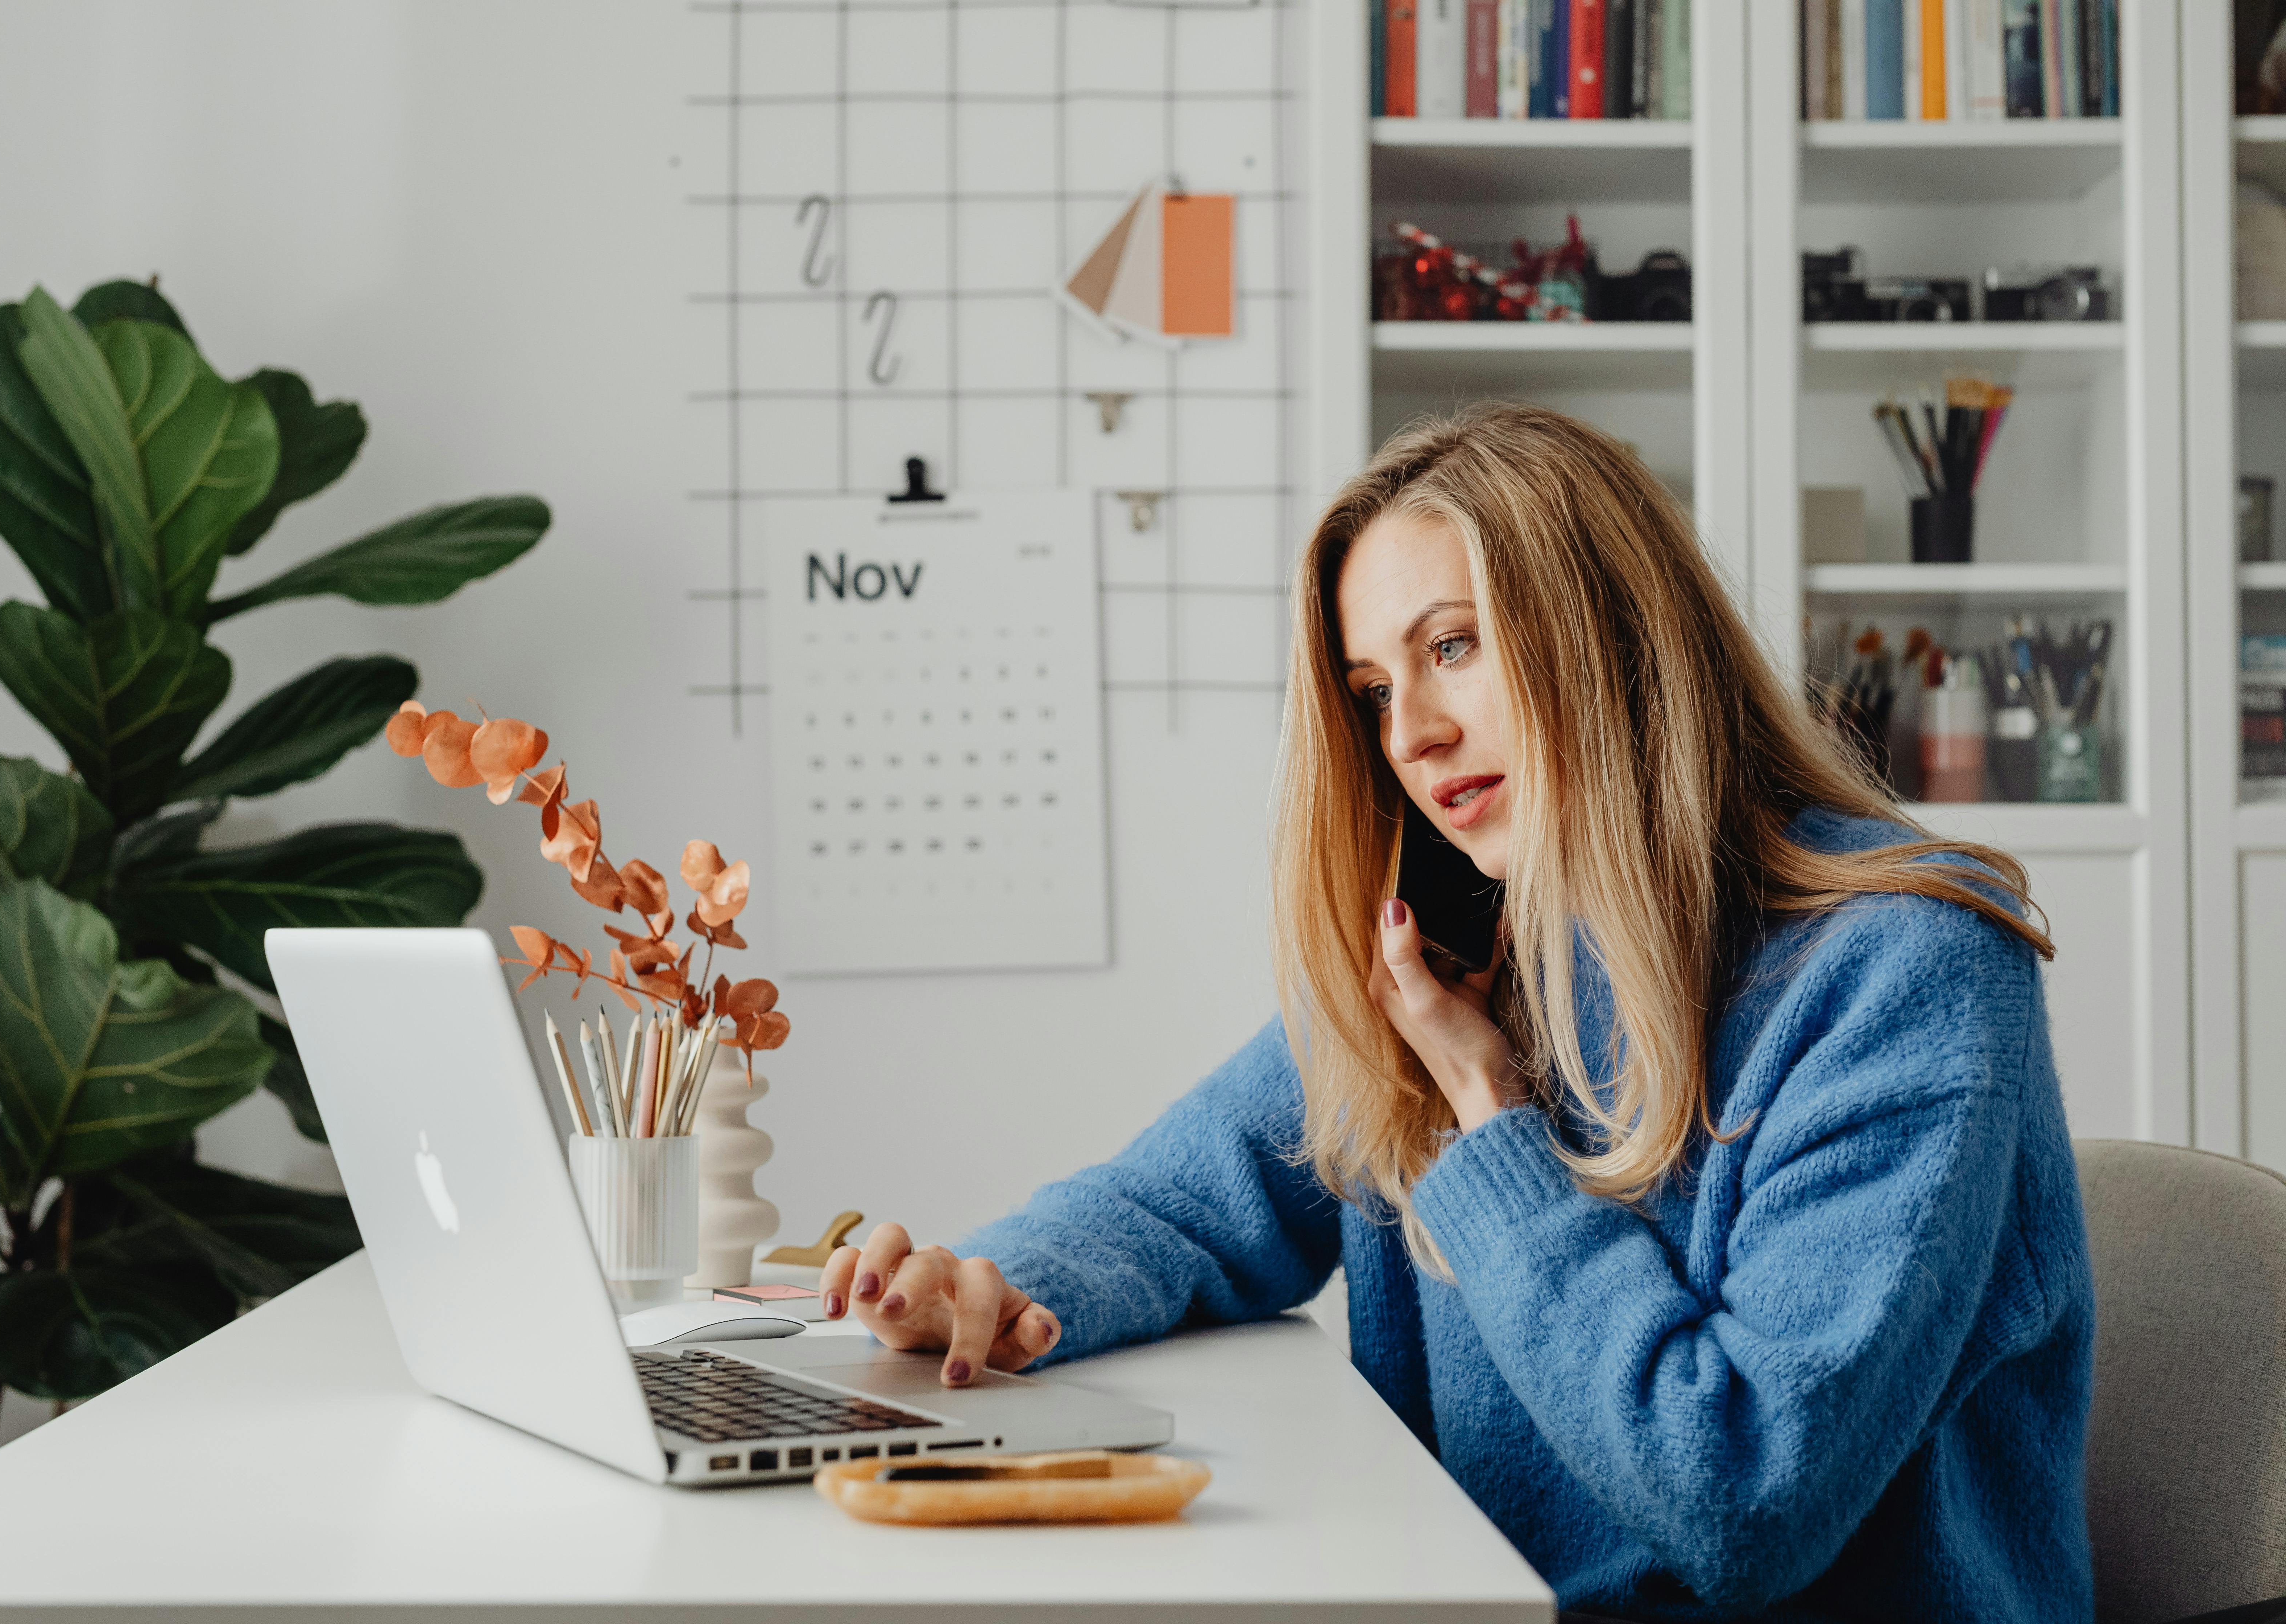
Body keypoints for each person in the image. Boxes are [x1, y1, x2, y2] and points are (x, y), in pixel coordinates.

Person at [816, 405, 2093, 1622]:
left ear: (1618, 637)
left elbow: (1742, 1496)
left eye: (1452, 647)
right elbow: (1183, 1203)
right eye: (1374, 691)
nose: (1412, 737)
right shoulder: (1475, 952)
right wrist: (981, 1286)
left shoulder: (1908, 972)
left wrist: (1488, 1119)